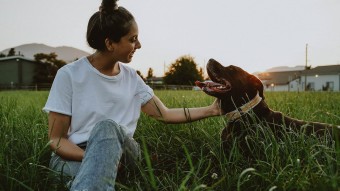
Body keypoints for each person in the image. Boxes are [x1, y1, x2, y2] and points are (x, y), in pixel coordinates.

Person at [43, 0, 223, 190]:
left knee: (106, 127)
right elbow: (57, 139)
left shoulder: (131, 78)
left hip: (123, 151)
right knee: (79, 172)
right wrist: (98, 158)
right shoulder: (69, 75)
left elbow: (166, 114)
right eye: (132, 39)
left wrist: (212, 110)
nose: (139, 45)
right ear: (110, 43)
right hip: (74, 154)